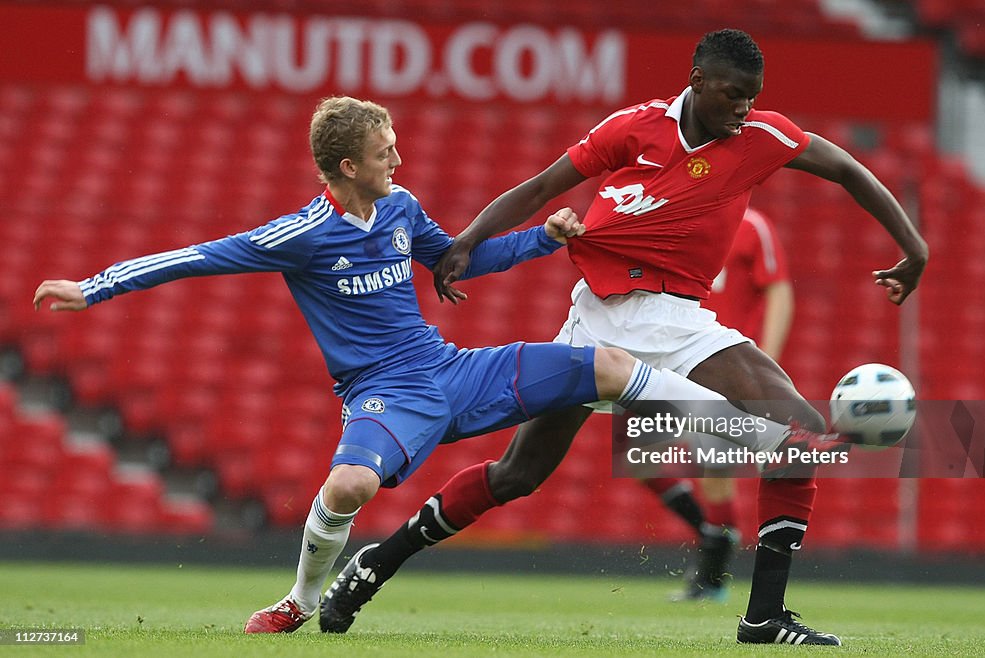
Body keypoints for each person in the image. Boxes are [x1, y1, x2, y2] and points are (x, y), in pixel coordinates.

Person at [32, 96, 834, 635]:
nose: (399, 157)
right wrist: (94, 288)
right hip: (387, 395)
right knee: (347, 489)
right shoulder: (302, 234)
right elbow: (197, 257)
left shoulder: (403, 209)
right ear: (346, 166)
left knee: (607, 364)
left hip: (452, 371)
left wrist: (547, 238)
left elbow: (460, 262)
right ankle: (297, 601)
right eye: (385, 151)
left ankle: (756, 436)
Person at [320, 29, 927, 647]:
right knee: (517, 475)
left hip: (681, 322)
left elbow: (849, 169)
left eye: (752, 97)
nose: (743, 109)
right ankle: (374, 564)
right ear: (696, 80)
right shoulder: (634, 128)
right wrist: (469, 241)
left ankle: (764, 617)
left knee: (797, 438)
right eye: (731, 94)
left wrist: (914, 248)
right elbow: (539, 189)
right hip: (595, 325)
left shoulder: (761, 137)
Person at [655, 206, 795, 603]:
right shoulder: (677, 216)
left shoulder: (753, 224)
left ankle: (713, 573)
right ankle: (714, 539)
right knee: (638, 455)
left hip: (723, 366)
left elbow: (780, 288)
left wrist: (765, 361)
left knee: (713, 471)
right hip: (670, 360)